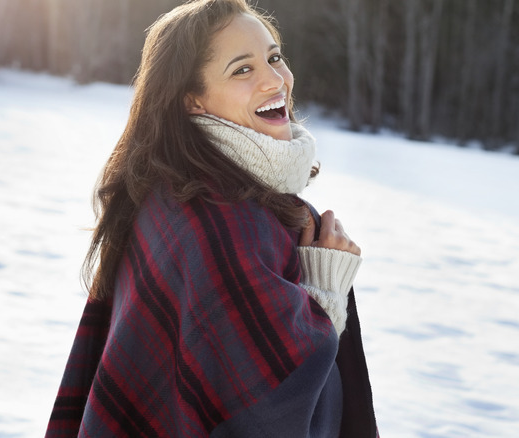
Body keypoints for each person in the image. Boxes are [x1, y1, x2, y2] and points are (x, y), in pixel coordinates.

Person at [45, 0, 377, 436]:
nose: (275, 79)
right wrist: (324, 296)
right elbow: (263, 411)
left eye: (274, 57)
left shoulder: (175, 187)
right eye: (243, 70)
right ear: (193, 100)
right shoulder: (217, 219)